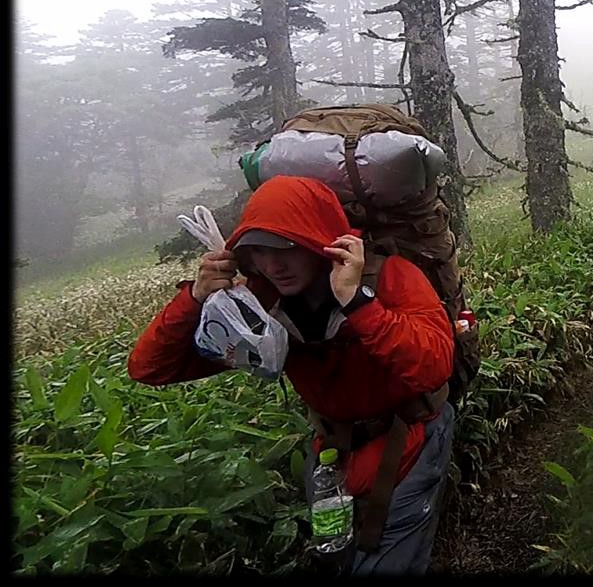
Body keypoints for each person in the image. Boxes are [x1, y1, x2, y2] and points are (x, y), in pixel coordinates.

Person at [128, 175, 455, 574]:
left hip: (409, 439)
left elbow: (435, 365)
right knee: (338, 559)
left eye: (286, 247)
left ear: (322, 242)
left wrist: (358, 304)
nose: (273, 265)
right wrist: (193, 300)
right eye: (259, 252)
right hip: (333, 456)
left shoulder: (391, 277)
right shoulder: (264, 302)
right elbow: (150, 368)